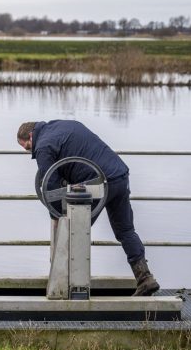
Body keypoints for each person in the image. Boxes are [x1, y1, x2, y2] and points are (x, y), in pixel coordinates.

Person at [16, 120, 160, 297]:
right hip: (119, 175)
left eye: (27, 147)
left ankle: (70, 288)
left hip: (97, 183)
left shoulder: (43, 146)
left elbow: (50, 188)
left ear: (30, 136)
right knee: (126, 231)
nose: (30, 151)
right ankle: (145, 278)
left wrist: (56, 216)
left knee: (73, 232)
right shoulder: (64, 124)